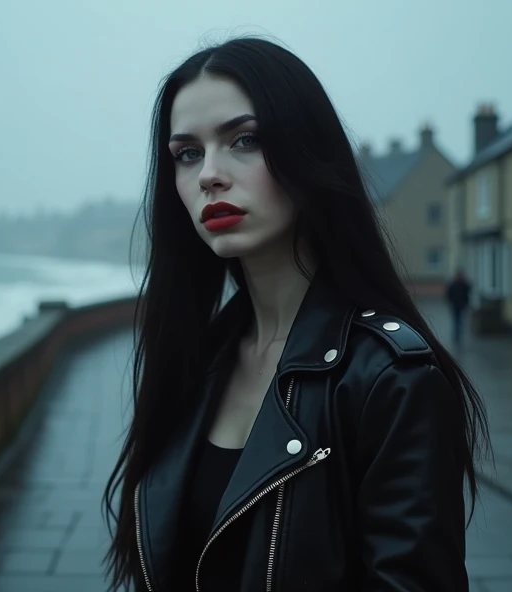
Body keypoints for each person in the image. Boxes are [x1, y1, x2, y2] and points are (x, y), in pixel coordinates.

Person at [102, 37, 489, 591]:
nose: (210, 173)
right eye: (187, 153)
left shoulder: (391, 379)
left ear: (306, 152)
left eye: (244, 140)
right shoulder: (193, 358)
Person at [446, 269, 472, 345]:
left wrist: (466, 303)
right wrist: (451, 302)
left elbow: (467, 293)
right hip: (455, 305)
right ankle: (456, 335)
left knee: (461, 320)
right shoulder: (453, 285)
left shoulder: (464, 284)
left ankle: (459, 334)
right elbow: (448, 294)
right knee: (456, 320)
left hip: (462, 305)